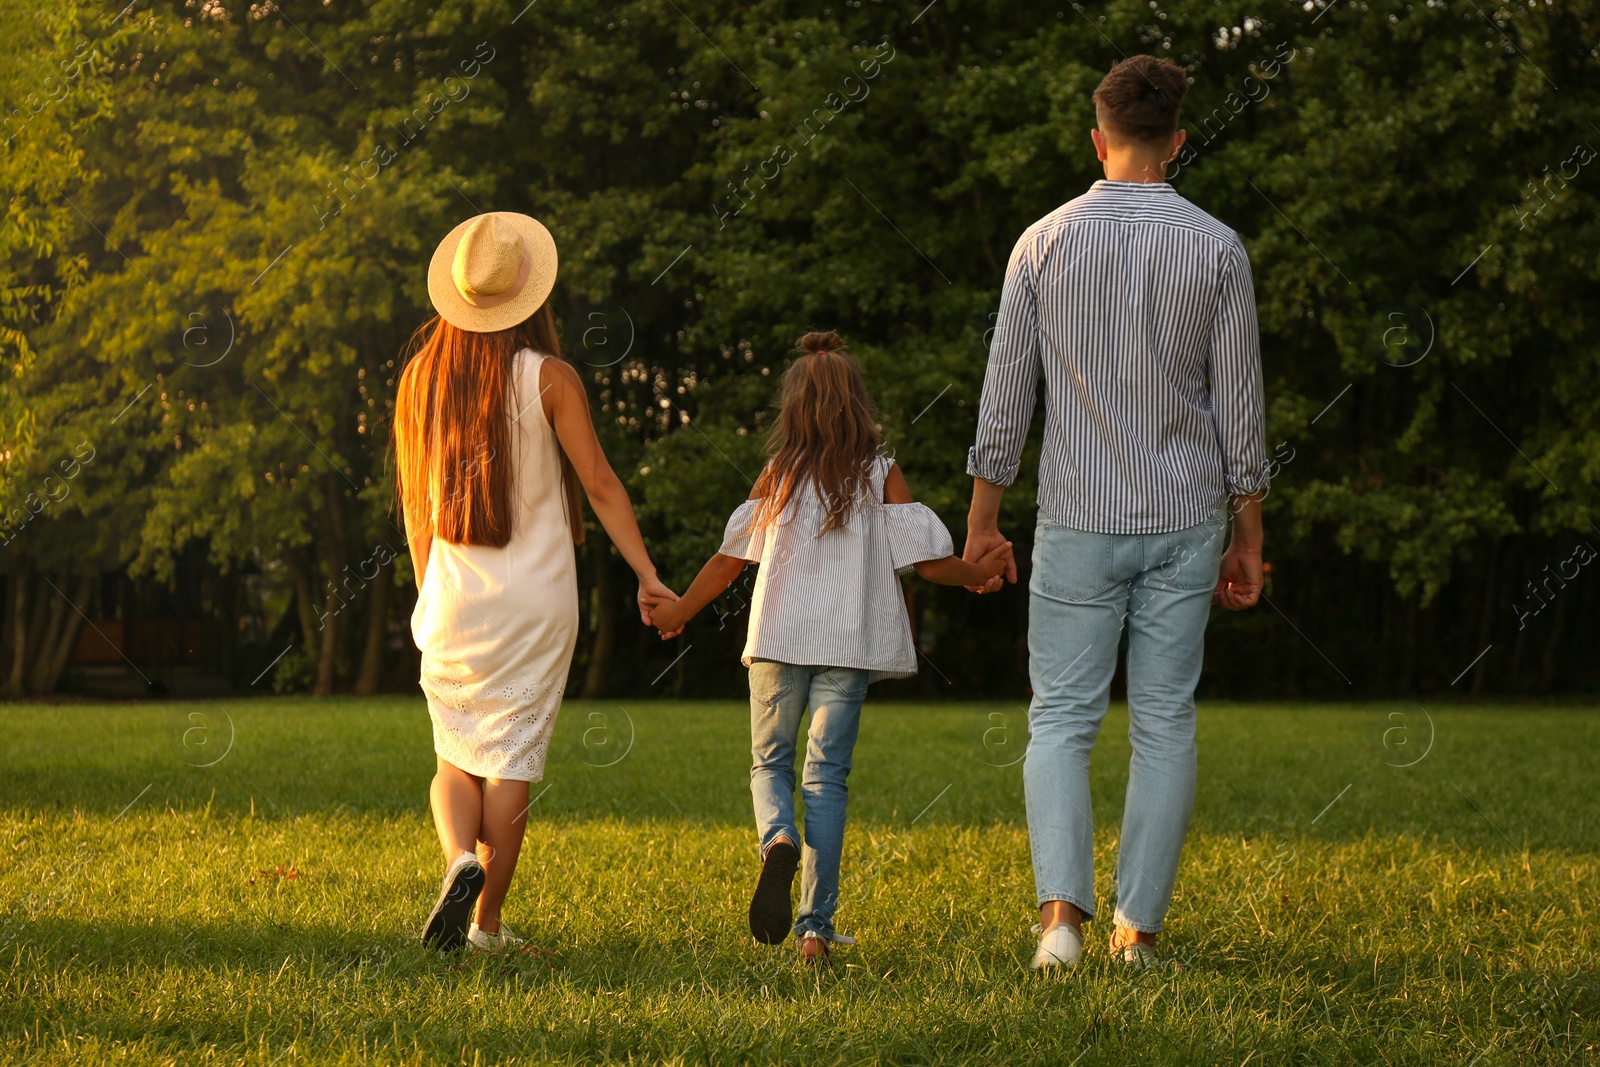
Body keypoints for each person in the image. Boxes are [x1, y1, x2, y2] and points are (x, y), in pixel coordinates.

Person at [962, 56, 1269, 971]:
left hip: (1078, 517)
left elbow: (1004, 399)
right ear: (1179, 142)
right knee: (1165, 720)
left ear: (1097, 141)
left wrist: (982, 522)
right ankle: (1138, 931)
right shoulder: (1218, 248)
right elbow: (1243, 417)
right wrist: (1249, 539)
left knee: (1059, 718)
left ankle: (1059, 922)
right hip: (1186, 516)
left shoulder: (1041, 243)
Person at [648, 331, 1014, 964]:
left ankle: (777, 839)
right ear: (857, 402)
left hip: (777, 645)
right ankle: (814, 930)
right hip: (846, 648)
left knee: (771, 766)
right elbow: (928, 565)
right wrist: (979, 573)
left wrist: (679, 608)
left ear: (792, 408)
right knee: (827, 780)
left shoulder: (779, 476)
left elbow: (729, 563)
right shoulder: (881, 473)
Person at [395, 212, 676, 952]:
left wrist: (428, 593)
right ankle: (485, 921)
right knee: (511, 757)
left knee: (453, 755)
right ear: (530, 295)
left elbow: (417, 514)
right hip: (538, 602)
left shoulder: (421, 378)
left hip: (454, 594)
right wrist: (647, 572)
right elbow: (603, 485)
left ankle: (460, 859)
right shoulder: (551, 377)